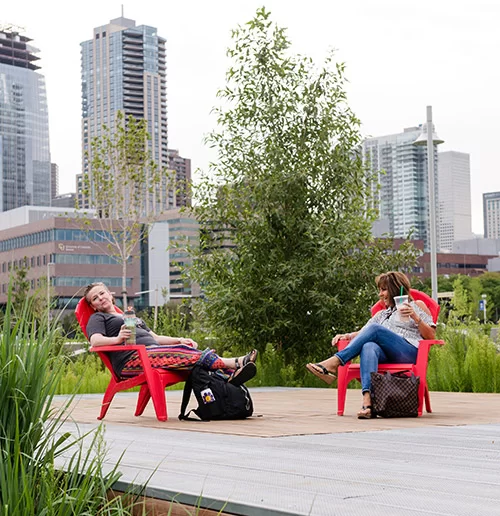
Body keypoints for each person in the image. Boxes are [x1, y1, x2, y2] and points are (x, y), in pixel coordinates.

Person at [305, 271, 436, 419]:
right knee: (368, 346)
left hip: (408, 352)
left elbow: (431, 335)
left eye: (383, 289)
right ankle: (367, 403)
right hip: (386, 355)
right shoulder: (382, 314)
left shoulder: (417, 305)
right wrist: (346, 336)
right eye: (379, 290)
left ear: (395, 289)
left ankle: (335, 362)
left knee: (375, 330)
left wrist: (415, 317)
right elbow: (364, 332)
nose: (380, 294)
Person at [84, 282, 257, 385]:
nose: (100, 298)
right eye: (95, 298)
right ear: (93, 306)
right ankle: (235, 363)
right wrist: (118, 339)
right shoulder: (98, 317)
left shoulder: (129, 316)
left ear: (110, 294)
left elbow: (156, 338)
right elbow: (95, 341)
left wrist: (179, 339)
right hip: (132, 361)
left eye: (102, 293)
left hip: (154, 353)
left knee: (185, 349)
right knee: (182, 352)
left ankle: (228, 376)